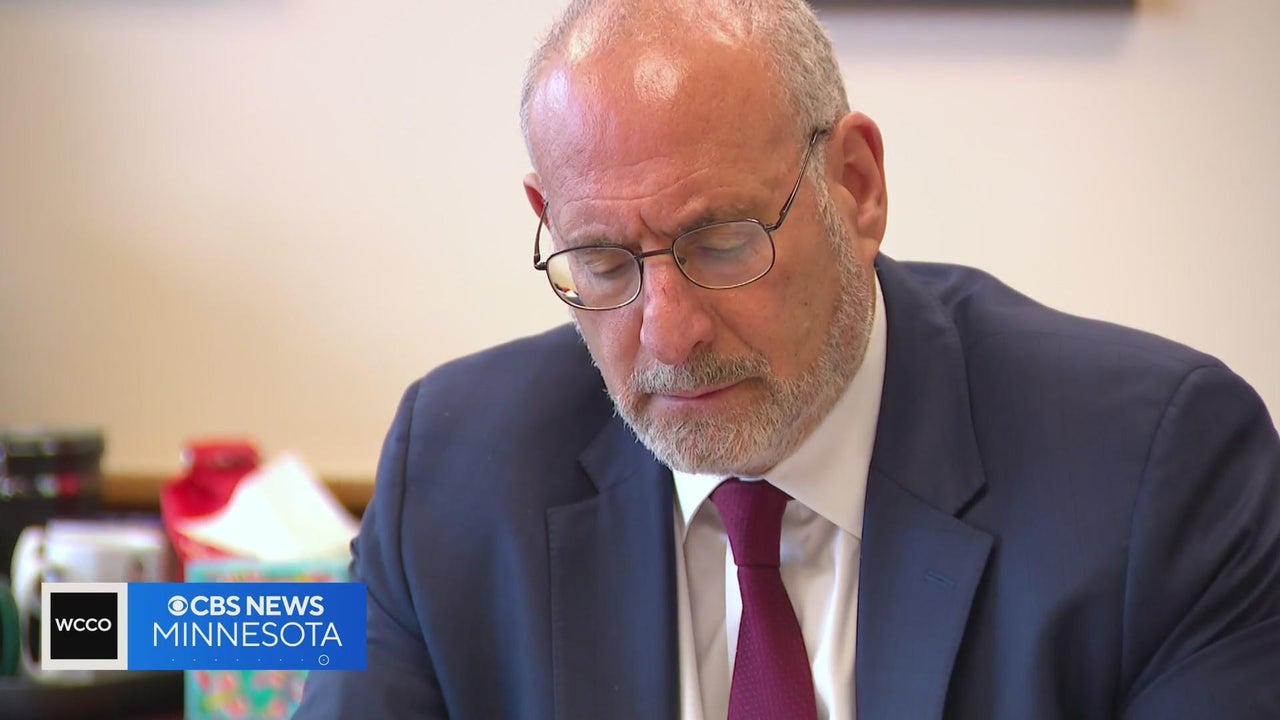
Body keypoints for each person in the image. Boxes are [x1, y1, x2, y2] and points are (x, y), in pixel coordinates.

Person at [295, 0, 1280, 718]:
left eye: (722, 242)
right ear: (547, 222)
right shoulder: (451, 467)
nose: (668, 333)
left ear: (855, 186)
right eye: (602, 262)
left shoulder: (1155, 469)